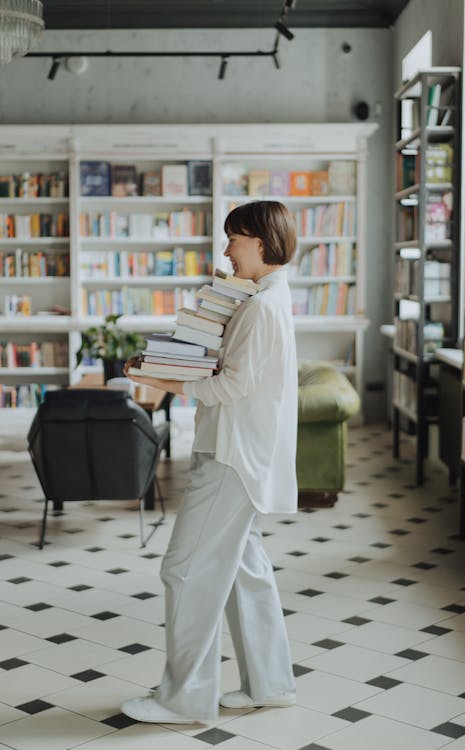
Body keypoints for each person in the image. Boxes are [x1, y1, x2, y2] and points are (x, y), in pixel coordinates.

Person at [121, 200, 298, 724]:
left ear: (261, 243)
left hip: (231, 457)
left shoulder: (262, 307)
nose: (227, 250)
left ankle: (183, 700)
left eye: (234, 239)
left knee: (185, 569)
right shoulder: (268, 297)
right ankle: (271, 685)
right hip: (244, 453)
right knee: (244, 572)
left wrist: (159, 379)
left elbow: (231, 385)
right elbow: (240, 373)